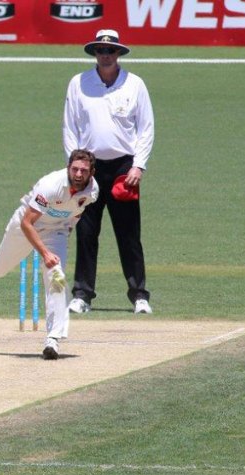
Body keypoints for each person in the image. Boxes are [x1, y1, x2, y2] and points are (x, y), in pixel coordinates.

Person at [0, 150, 100, 360]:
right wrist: (44, 253)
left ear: (92, 172)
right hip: (26, 226)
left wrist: (64, 233)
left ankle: (53, 338)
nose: (79, 174)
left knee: (57, 277)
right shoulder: (50, 185)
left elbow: (76, 213)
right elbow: (27, 223)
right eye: (75, 169)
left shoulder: (92, 191)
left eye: (84, 171)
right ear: (68, 167)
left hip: (56, 231)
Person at [63, 29, 155, 315]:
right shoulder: (79, 83)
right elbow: (70, 127)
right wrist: (75, 167)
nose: (105, 55)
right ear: (94, 53)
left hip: (123, 168)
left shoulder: (134, 84)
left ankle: (139, 295)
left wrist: (139, 165)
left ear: (118, 54)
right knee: (86, 232)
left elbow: (146, 127)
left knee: (129, 233)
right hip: (88, 166)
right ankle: (82, 295)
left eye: (110, 51)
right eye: (100, 51)